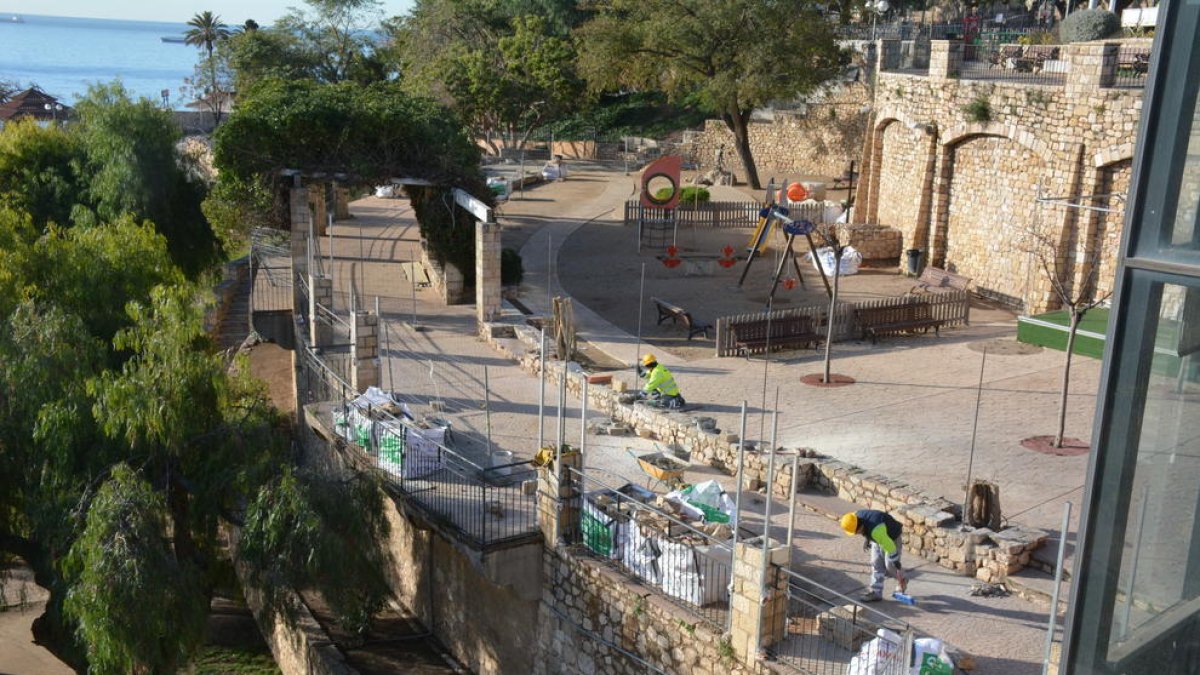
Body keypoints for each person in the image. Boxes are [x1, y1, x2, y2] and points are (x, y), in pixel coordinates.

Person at [840, 509, 907, 602]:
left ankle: (902, 580)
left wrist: (895, 559)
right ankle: (876, 592)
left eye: (856, 532)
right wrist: (867, 538)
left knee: (890, 565)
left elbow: (890, 546)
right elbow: (867, 527)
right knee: (876, 563)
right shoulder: (853, 517)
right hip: (878, 535)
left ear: (860, 527)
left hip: (892, 538)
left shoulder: (876, 531)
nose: (856, 534)